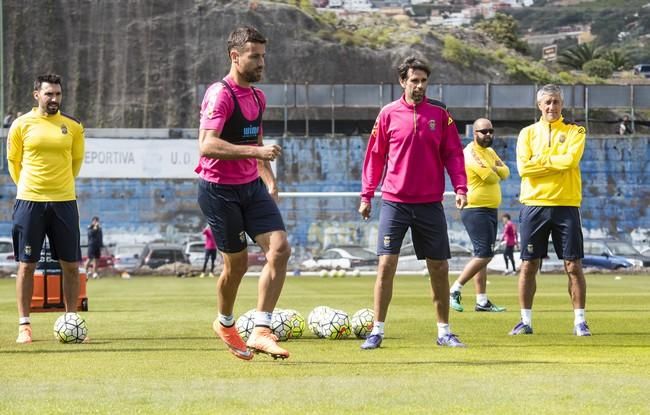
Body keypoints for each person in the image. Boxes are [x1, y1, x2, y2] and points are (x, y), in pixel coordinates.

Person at [358, 56, 468, 350]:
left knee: (440, 268)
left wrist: (460, 187)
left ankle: (444, 331)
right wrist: (367, 194)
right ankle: (377, 331)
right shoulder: (388, 114)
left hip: (430, 203)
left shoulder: (440, 115)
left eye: (423, 81)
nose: (419, 86)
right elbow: (375, 156)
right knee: (386, 265)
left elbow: (454, 155)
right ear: (402, 82)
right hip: (395, 201)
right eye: (414, 80)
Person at [196, 26, 291, 360]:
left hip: (251, 187)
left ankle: (262, 329)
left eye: (263, 56)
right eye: (255, 56)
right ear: (235, 57)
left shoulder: (257, 97)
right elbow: (206, 145)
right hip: (219, 191)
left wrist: (269, 180)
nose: (261, 62)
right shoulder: (220, 95)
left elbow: (256, 142)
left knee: (280, 249)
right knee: (235, 266)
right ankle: (225, 322)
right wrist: (256, 155)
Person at [6, 74, 85, 344]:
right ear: (36, 95)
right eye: (49, 94)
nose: (54, 99)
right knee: (27, 265)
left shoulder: (73, 126)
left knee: (71, 265)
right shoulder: (20, 125)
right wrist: (30, 189)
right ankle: (24, 325)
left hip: (64, 201)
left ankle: (72, 319)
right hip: (29, 202)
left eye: (58, 95)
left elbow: (76, 162)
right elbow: (13, 162)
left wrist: (59, 188)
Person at [510, 84, 590, 337]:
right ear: (539, 106)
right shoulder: (526, 133)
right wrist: (555, 162)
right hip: (534, 204)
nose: (551, 107)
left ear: (561, 104)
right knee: (528, 265)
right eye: (547, 102)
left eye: (555, 102)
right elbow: (524, 169)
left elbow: (571, 161)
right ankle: (525, 321)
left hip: (566, 204)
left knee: (573, 265)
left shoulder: (575, 130)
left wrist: (540, 161)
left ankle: (579, 322)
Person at [449, 118, 508, 313]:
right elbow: (491, 176)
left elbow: (505, 172)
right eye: (484, 132)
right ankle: (455, 289)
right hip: (475, 208)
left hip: (490, 209)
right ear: (474, 133)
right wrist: (494, 170)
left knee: (482, 254)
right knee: (485, 254)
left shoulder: (489, 152)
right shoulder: (470, 153)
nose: (488, 135)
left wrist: (495, 169)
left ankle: (481, 301)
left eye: (491, 131)